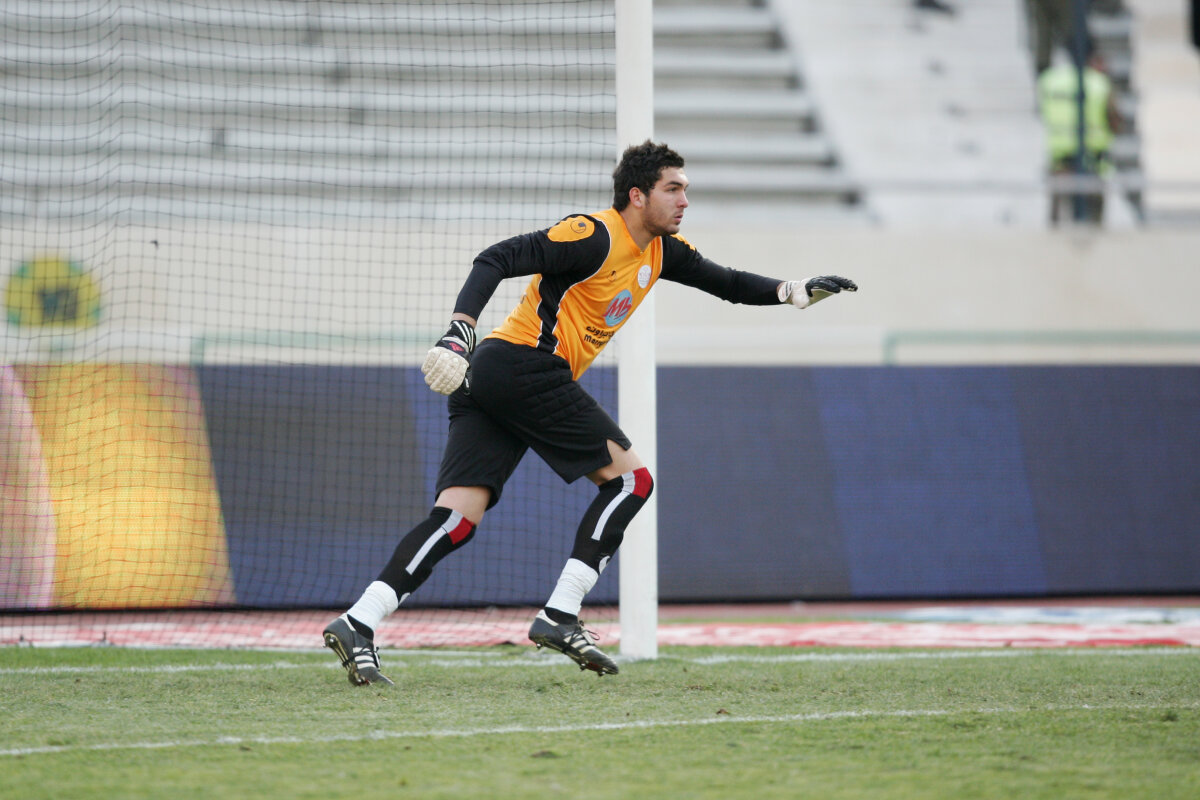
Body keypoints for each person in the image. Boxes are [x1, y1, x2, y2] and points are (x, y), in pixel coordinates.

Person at [322, 141, 858, 686]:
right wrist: (461, 329)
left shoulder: (662, 251)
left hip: (497, 378)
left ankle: (358, 621)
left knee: (456, 519)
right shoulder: (593, 234)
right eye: (673, 189)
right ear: (637, 196)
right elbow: (495, 258)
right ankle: (560, 613)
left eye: (685, 190)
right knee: (633, 482)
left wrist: (793, 291)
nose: (684, 201)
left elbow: (729, 283)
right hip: (523, 366)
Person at [1037, 43, 1121, 225]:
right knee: (1094, 216)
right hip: (1092, 157)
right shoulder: (1099, 83)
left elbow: (1043, 111)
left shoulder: (1049, 80)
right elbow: (1114, 120)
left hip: (1059, 155)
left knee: (1057, 217)